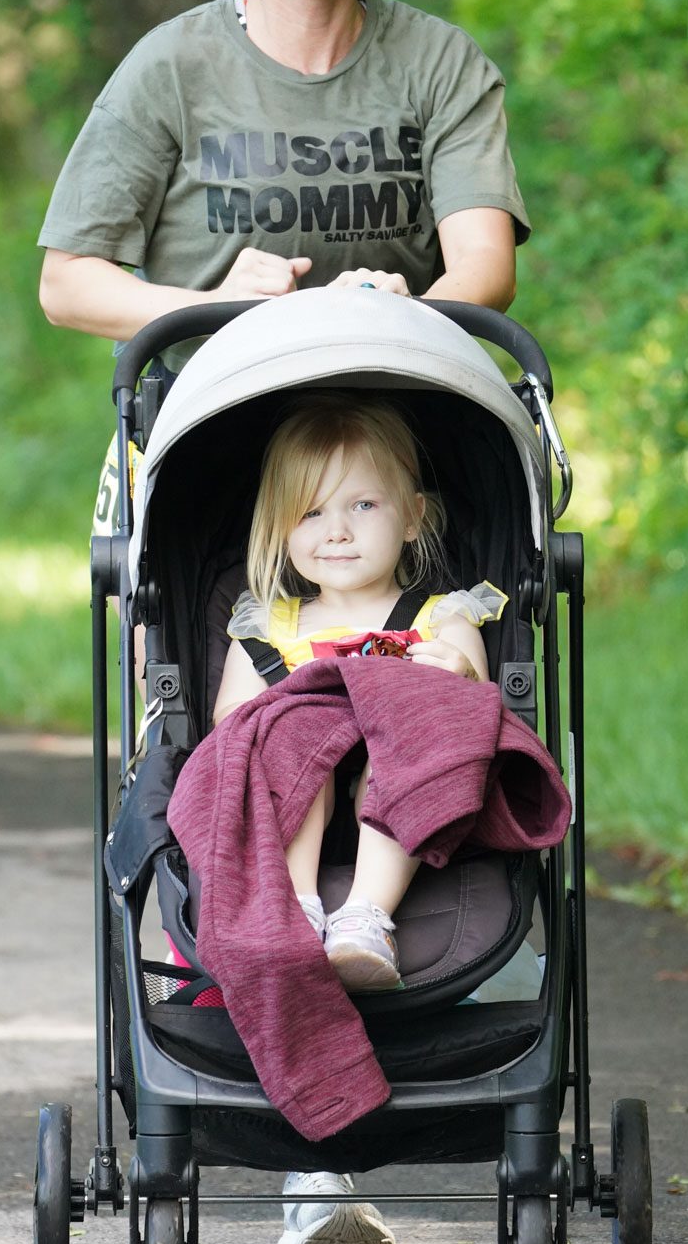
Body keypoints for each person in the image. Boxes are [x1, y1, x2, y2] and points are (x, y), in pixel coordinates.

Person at [36, 0, 531, 1244]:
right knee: (249, 750)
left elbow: (483, 272)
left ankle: (350, 1090)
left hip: (401, 448)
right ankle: (296, 1124)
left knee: (411, 717)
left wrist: (406, 298)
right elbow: (68, 282)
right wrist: (211, 299)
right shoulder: (176, 69)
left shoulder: (436, 63)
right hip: (225, 474)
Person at [213, 393, 506, 992]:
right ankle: (294, 909)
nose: (337, 532)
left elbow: (476, 710)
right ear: (280, 527)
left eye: (364, 505)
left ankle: (365, 919)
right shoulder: (267, 628)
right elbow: (231, 724)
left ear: (413, 517)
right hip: (294, 795)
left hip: (409, 799)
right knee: (282, 730)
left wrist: (458, 673)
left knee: (422, 728)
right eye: (311, 512)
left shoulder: (441, 617)